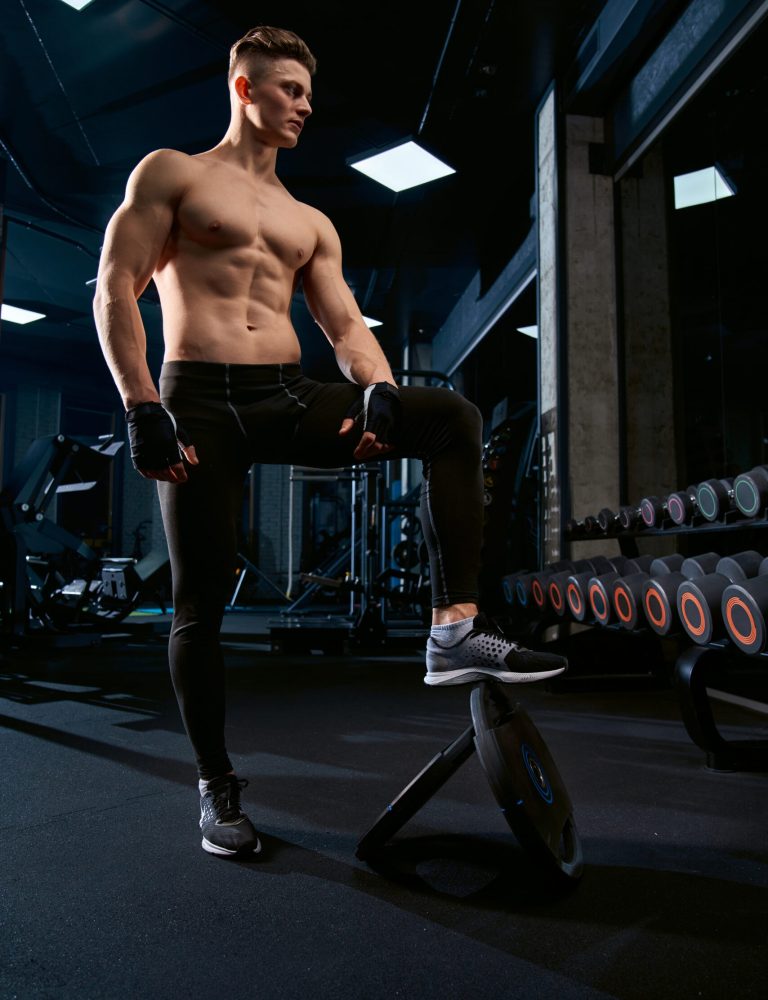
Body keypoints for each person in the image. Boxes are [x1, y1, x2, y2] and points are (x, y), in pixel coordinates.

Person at [93, 25, 567, 859]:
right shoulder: (171, 173)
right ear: (244, 88)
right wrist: (140, 405)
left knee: (447, 419)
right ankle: (216, 784)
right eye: (289, 90)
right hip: (196, 401)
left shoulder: (308, 219)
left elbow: (343, 321)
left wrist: (379, 389)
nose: (305, 106)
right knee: (199, 603)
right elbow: (115, 289)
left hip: (283, 394)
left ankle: (453, 626)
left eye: (308, 94)